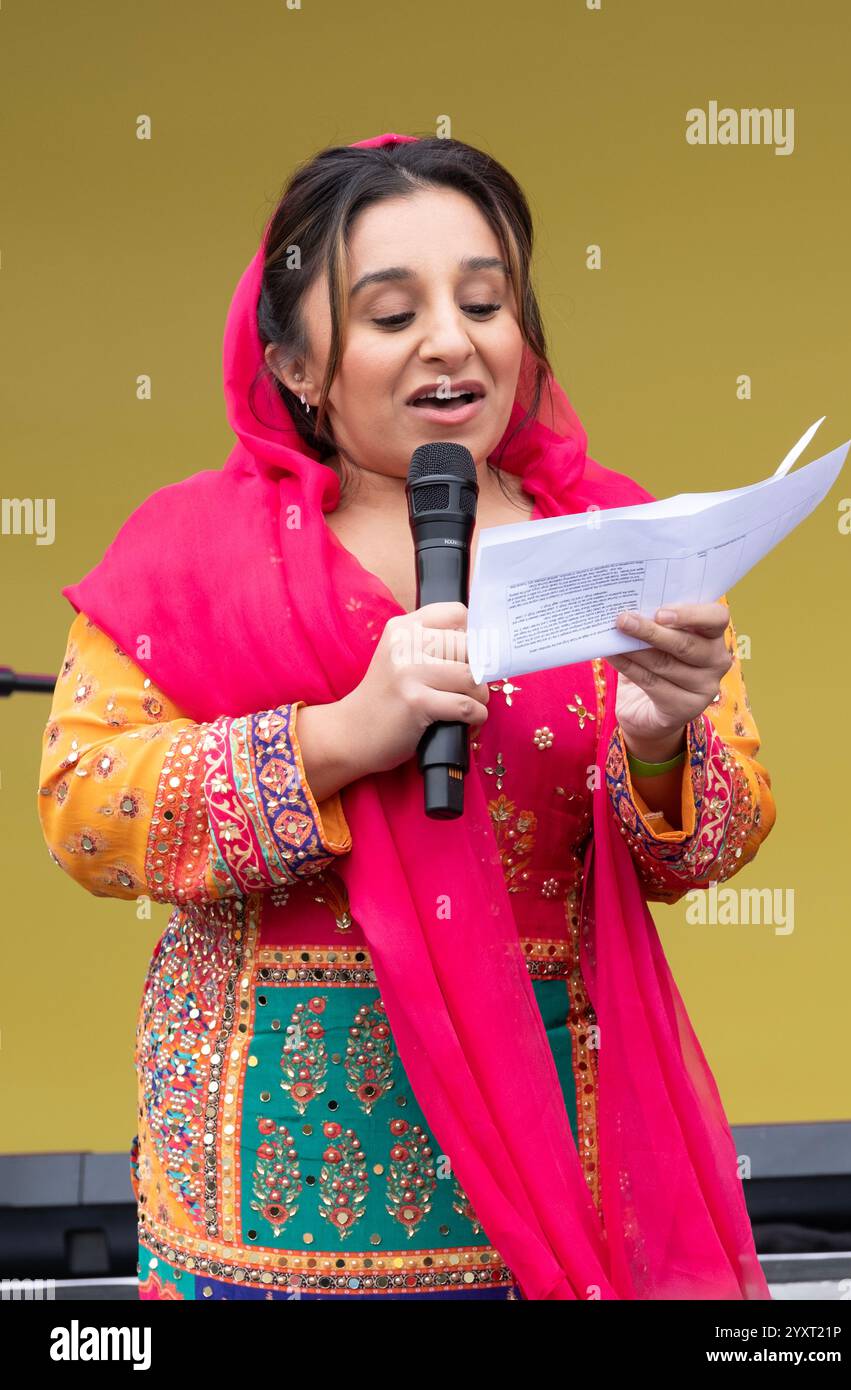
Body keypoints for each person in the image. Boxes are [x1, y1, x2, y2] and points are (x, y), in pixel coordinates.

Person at [36, 132, 776, 1301]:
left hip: (544, 1190)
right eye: (392, 314)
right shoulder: (190, 557)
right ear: (294, 361)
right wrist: (337, 736)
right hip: (259, 1206)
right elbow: (86, 811)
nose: (452, 339)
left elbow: (718, 838)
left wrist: (662, 743)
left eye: (485, 300)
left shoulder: (614, 544)